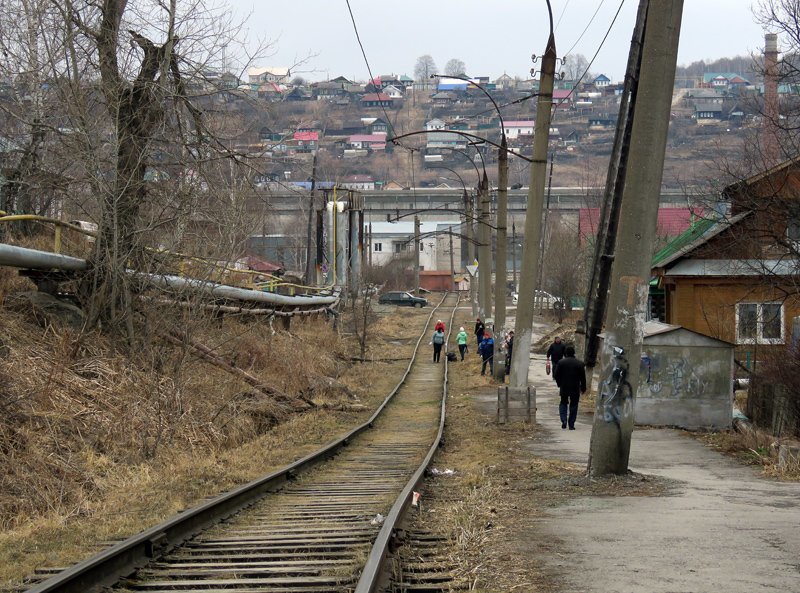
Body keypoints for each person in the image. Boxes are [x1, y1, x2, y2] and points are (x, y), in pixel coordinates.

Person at [553, 345, 586, 430]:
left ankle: (563, 420)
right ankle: (571, 424)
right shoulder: (580, 363)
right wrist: (583, 388)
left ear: (566, 353)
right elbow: (583, 377)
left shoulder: (561, 362)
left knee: (563, 402)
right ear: (574, 353)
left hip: (564, 386)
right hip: (575, 387)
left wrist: (559, 383)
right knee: (574, 405)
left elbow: (556, 375)